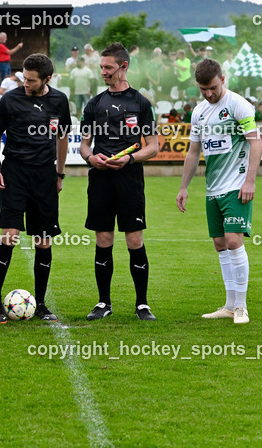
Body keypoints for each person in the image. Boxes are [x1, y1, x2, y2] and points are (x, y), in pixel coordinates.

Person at [0, 54, 71, 323]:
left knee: (43, 241)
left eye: (31, 80)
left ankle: (42, 303)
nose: (25, 83)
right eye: (23, 77)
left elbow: (63, 137)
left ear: (47, 79)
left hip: (45, 176)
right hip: (15, 173)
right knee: (9, 235)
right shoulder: (11, 99)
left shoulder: (59, 101)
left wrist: (59, 174)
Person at [176, 59, 262, 323]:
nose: (209, 94)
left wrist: (250, 181)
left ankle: (242, 307)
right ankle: (229, 304)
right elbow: (193, 152)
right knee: (220, 244)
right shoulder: (199, 112)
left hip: (236, 186)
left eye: (212, 87)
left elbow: (256, 144)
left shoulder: (238, 105)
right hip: (213, 189)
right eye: (203, 89)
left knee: (234, 241)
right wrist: (183, 187)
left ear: (222, 80)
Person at [79, 42, 159, 321]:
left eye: (108, 67)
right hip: (101, 179)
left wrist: (130, 159)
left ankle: (142, 304)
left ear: (124, 67)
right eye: (101, 67)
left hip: (129, 178)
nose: (103, 72)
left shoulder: (140, 103)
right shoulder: (94, 104)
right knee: (103, 239)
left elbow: (153, 146)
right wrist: (92, 159)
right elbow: (84, 145)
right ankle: (103, 303)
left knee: (134, 239)